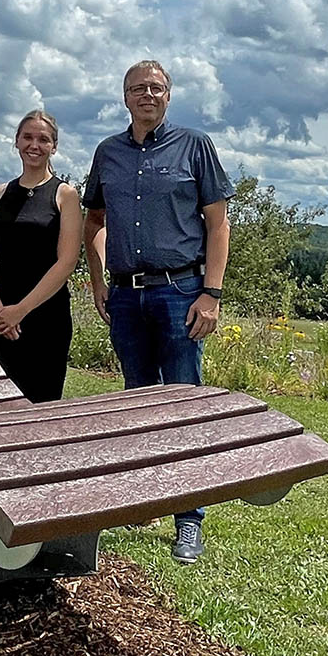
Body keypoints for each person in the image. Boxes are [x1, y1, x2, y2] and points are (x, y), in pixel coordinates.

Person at [82, 60, 233, 565]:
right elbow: (95, 220)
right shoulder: (108, 153)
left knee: (184, 403)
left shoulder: (195, 145)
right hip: (126, 296)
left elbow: (217, 224)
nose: (147, 95)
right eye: (137, 88)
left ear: (169, 96)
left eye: (156, 88)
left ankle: (189, 520)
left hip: (180, 292)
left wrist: (211, 293)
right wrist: (99, 279)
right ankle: (140, 501)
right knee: (136, 405)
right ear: (124, 97)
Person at [0, 110, 82, 402]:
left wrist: (20, 311)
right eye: (28, 137)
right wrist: (0, 312)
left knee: (42, 402)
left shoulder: (65, 195)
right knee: (0, 404)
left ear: (54, 146)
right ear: (17, 142)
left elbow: (67, 261)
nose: (34, 145)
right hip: (0, 316)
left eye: (43, 139)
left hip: (46, 316)